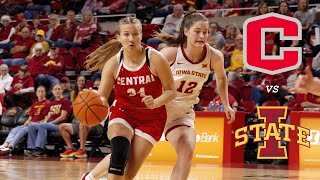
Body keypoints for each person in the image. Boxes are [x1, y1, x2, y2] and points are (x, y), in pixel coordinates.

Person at [81, 17, 176, 180]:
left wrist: (156, 102)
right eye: (126, 34)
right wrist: (92, 99)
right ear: (118, 37)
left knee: (128, 174)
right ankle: (90, 177)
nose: (131, 39)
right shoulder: (113, 63)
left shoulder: (155, 58)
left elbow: (171, 91)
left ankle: (92, 177)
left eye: (135, 34)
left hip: (152, 118)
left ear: (141, 36)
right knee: (119, 152)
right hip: (123, 112)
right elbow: (102, 98)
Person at [156, 11, 236, 179]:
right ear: (186, 31)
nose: (202, 36)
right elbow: (146, 77)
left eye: (205, 32)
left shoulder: (215, 56)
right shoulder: (170, 54)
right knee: (128, 156)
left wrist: (226, 104)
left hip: (181, 113)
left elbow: (221, 78)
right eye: (197, 31)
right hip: (156, 109)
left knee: (187, 152)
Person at [0, 86, 50, 155]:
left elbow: (46, 119)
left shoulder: (48, 103)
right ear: (36, 93)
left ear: (45, 93)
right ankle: (5, 145)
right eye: (39, 91)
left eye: (42, 92)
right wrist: (28, 121)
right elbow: (30, 117)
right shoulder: (35, 104)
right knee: (14, 130)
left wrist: (33, 123)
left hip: (38, 125)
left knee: (22, 130)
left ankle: (9, 148)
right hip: (31, 124)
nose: (41, 93)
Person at [25, 84, 71, 156]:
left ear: (62, 90)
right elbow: (48, 116)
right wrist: (46, 121)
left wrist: (50, 123)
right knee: (32, 126)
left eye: (59, 89)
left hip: (60, 125)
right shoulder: (52, 103)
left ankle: (41, 149)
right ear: (52, 91)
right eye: (55, 89)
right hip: (50, 124)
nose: (57, 91)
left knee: (43, 125)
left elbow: (63, 117)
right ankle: (32, 148)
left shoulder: (65, 101)